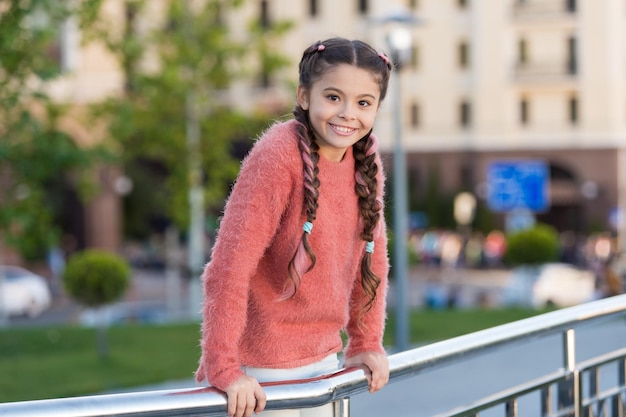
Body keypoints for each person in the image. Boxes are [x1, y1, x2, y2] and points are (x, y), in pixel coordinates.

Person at [194, 37, 393, 417]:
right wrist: (224, 368)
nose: (348, 114)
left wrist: (366, 341)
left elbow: (374, 260)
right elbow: (229, 267)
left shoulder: (365, 160)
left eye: (363, 103)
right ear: (304, 96)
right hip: (261, 370)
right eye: (333, 97)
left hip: (324, 361)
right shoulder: (278, 154)